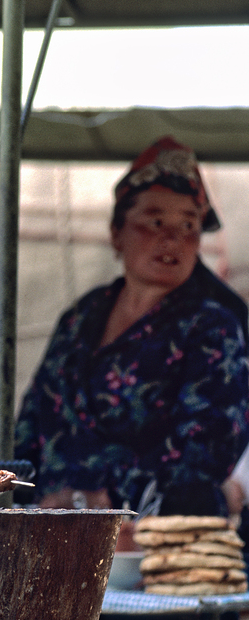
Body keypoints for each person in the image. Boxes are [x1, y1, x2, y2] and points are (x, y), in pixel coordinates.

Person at [14, 136, 249, 521]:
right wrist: (25, 500)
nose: (172, 237)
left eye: (188, 223)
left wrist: (90, 502)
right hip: (48, 531)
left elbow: (203, 460)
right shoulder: (82, 316)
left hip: (146, 538)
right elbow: (30, 427)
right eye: (155, 220)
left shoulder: (212, 327)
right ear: (116, 232)